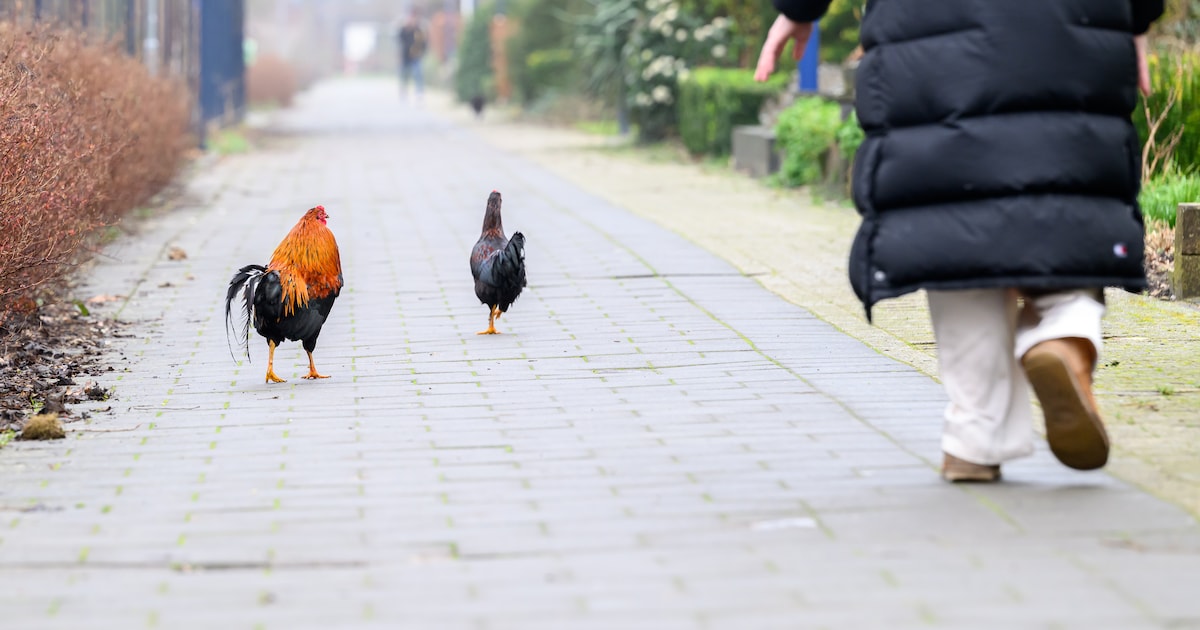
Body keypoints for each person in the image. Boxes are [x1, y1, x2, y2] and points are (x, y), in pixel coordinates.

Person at [755, 0, 1163, 482]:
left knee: (951, 215)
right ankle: (1063, 336)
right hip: (1072, 20)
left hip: (925, 27)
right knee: (1064, 189)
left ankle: (974, 437)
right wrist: (1135, 16)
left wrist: (799, 8)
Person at [397, 11, 428, 101]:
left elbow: (423, 43)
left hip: (416, 57)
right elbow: (400, 41)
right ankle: (404, 91)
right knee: (404, 75)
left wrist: (421, 52)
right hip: (405, 56)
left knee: (418, 74)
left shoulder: (419, 31)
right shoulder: (403, 30)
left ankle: (419, 93)